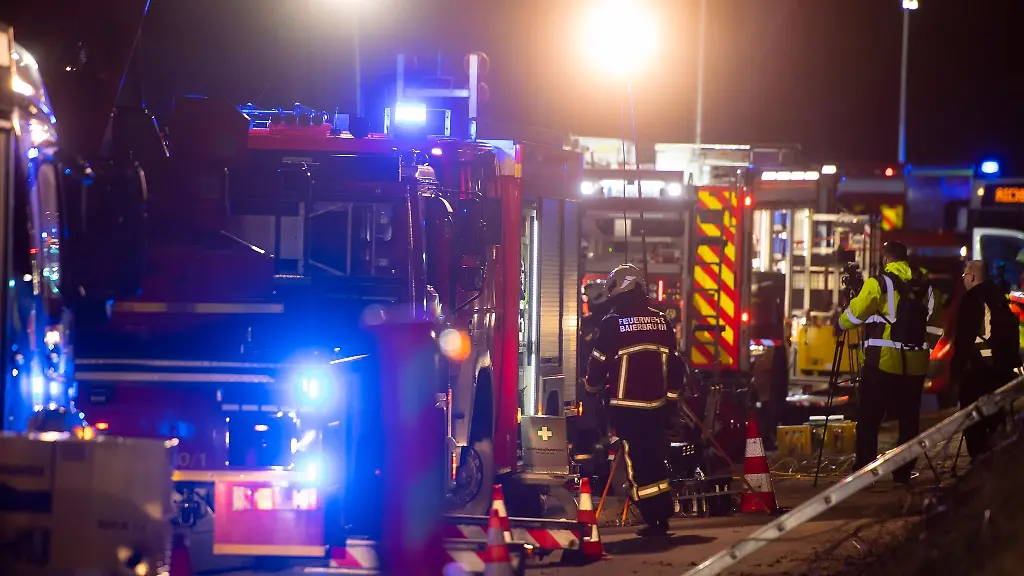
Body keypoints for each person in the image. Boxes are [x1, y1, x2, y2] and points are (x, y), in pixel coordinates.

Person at [585, 264, 685, 537]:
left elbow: (597, 366)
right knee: (654, 458)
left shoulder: (611, 324)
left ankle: (654, 518)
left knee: (637, 463)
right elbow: (677, 368)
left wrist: (591, 389)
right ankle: (662, 513)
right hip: (658, 407)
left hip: (626, 408)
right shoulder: (662, 321)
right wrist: (672, 402)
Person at [838, 242, 933, 485]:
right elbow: (936, 323)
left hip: (882, 363)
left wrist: (840, 322)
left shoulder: (879, 283)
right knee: (908, 422)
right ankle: (902, 473)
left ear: (885, 259)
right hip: (915, 364)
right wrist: (925, 346)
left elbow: (855, 314)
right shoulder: (925, 285)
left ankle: (864, 471)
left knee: (870, 419)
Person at [951, 261, 1020, 458]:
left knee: (974, 423)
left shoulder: (972, 300)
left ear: (972, 277)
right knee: (995, 420)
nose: (964, 279)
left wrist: (956, 370)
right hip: (1002, 372)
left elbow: (964, 339)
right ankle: (994, 461)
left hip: (978, 372)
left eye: (965, 275)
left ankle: (979, 465)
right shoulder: (998, 297)